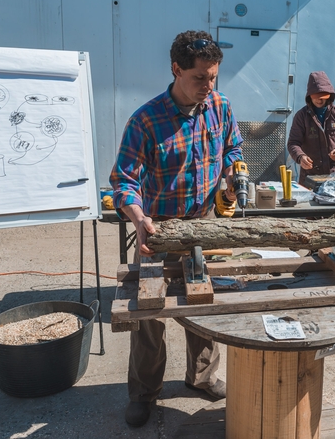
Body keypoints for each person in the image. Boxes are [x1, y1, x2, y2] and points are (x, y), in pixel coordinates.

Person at [110, 30, 243, 428]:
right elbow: (123, 182)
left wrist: (233, 176)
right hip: (159, 231)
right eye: (200, 77)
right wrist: (139, 219)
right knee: (149, 315)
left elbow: (233, 149)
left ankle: (201, 377)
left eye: (214, 77)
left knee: (203, 304)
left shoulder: (220, 106)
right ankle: (144, 393)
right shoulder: (146, 119)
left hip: (204, 225)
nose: (208, 86)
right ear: (176, 69)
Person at [287, 71, 335, 184]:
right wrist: (300, 157)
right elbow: (293, 143)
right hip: (310, 174)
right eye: (316, 97)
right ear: (309, 96)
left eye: (323, 97)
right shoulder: (301, 116)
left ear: (329, 95)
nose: (319, 100)